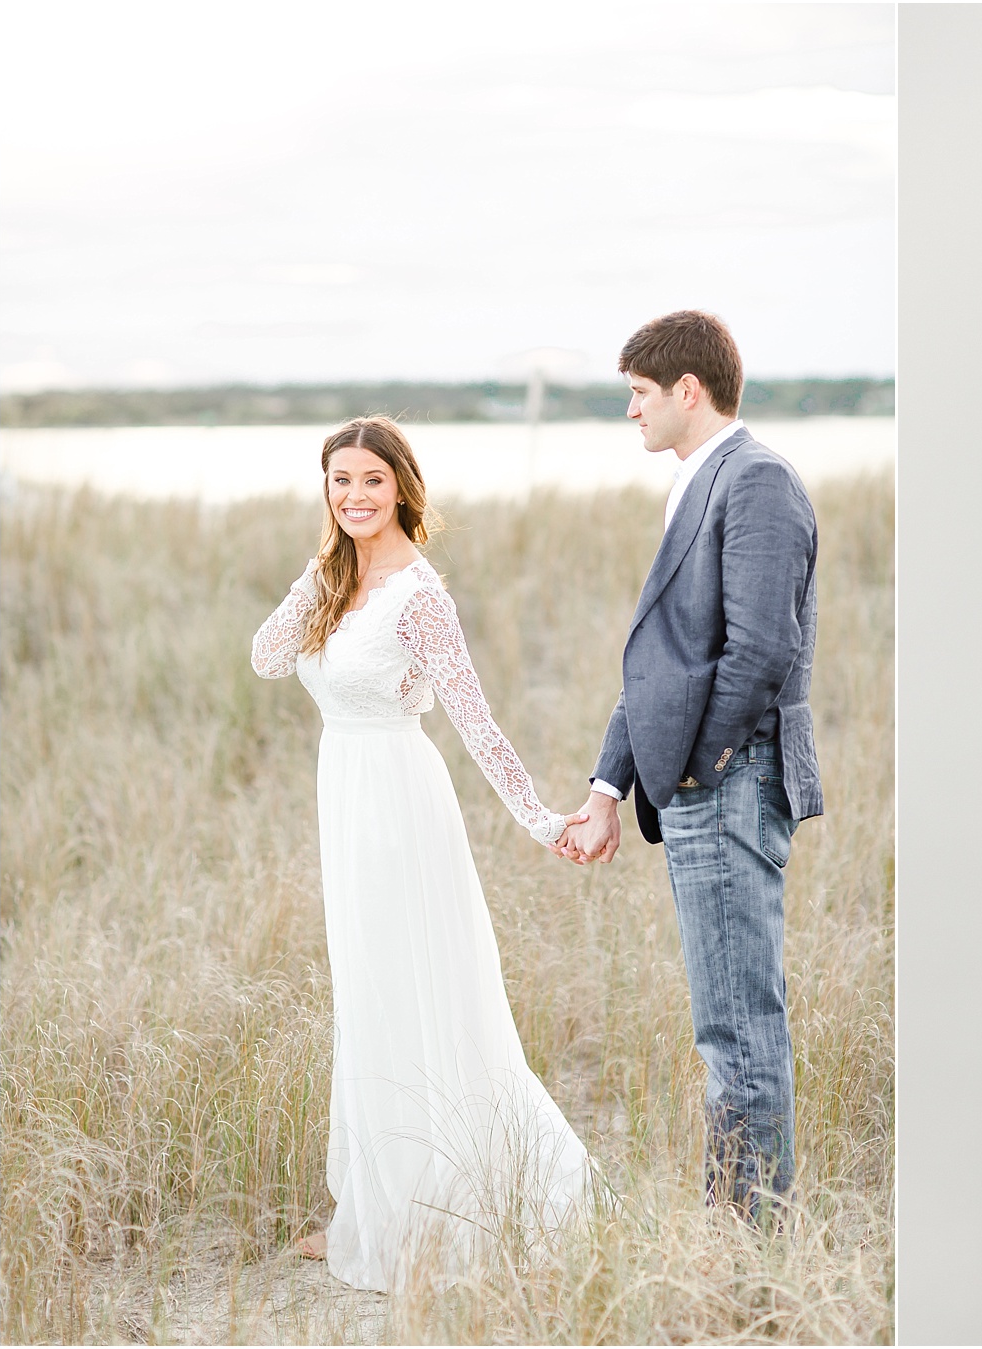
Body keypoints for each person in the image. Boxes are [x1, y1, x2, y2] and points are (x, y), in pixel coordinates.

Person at [251, 416, 594, 1292]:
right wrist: (321, 565)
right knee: (367, 995)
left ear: (402, 484)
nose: (355, 496)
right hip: (345, 796)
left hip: (401, 799)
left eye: (371, 480)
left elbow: (476, 720)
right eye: (339, 481)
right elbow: (264, 656)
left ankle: (458, 1199)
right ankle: (375, 1200)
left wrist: (540, 817)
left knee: (422, 989)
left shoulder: (420, 595)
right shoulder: (335, 579)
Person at [556, 311, 823, 1216]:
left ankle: (749, 1246)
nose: (630, 410)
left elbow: (761, 650)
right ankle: (738, 1229)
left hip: (732, 783)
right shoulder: (695, 483)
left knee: (739, 1028)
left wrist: (696, 768)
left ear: (686, 390)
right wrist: (608, 784)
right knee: (724, 1024)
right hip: (702, 786)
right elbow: (664, 663)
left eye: (637, 392)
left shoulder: (756, 482)